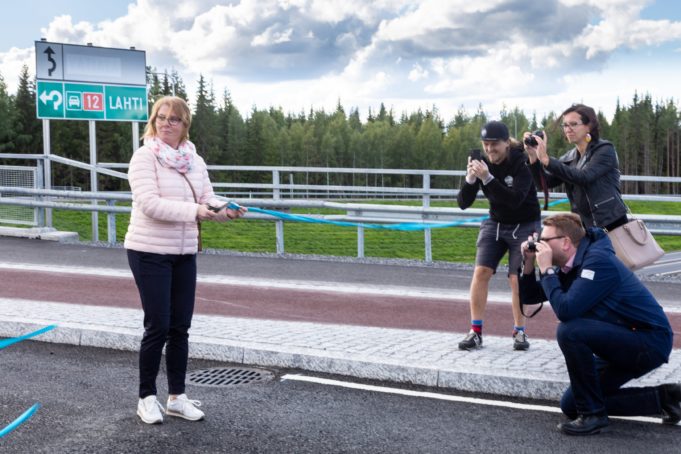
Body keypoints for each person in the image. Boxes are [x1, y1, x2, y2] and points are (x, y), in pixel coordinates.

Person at [124, 96, 246, 424]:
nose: (166, 123)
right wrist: (197, 211)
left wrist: (226, 210)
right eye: (160, 117)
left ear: (184, 124)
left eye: (173, 119)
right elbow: (150, 204)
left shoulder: (194, 160)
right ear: (153, 121)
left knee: (181, 327)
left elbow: (206, 199)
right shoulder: (144, 157)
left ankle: (177, 397)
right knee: (158, 325)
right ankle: (146, 397)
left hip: (184, 253)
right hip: (149, 252)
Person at [519, 212, 680, 435]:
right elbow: (529, 298)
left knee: (570, 331)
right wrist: (528, 263)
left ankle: (593, 415)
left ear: (565, 243)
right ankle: (665, 398)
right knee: (572, 405)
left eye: (544, 241)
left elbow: (566, 310)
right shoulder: (572, 264)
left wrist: (546, 270)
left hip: (649, 341)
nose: (540, 246)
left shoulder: (598, 262)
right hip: (622, 341)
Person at [456, 120, 541, 351]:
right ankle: (475, 331)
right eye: (486, 144)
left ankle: (519, 331)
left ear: (506, 143)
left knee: (516, 278)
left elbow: (515, 200)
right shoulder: (483, 164)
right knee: (481, 271)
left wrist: (488, 179)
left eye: (494, 144)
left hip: (525, 222)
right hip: (496, 222)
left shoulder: (520, 161)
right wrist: (470, 179)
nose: (490, 149)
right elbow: (463, 203)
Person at [524, 103, 628, 231]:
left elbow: (584, 177)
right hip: (583, 226)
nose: (568, 129)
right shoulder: (570, 157)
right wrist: (533, 157)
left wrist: (546, 159)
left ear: (588, 127)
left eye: (573, 124)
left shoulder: (605, 150)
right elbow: (544, 184)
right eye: (565, 125)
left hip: (611, 223)